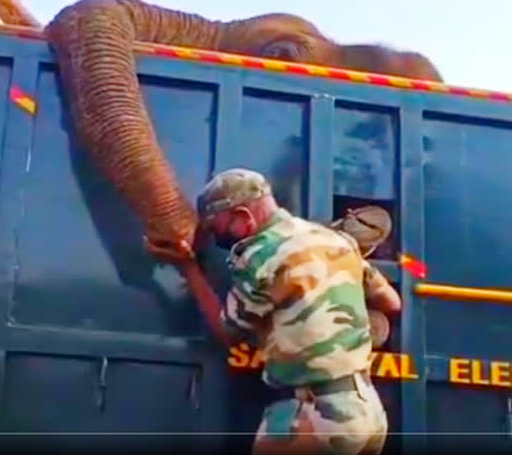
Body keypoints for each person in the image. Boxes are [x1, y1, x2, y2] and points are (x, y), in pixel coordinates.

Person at [146, 168, 401, 455]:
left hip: (314, 416)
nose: (217, 237)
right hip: (367, 413)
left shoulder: (260, 257)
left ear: (243, 217)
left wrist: (189, 269)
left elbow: (227, 332)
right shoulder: (335, 240)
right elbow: (391, 302)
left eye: (216, 228)